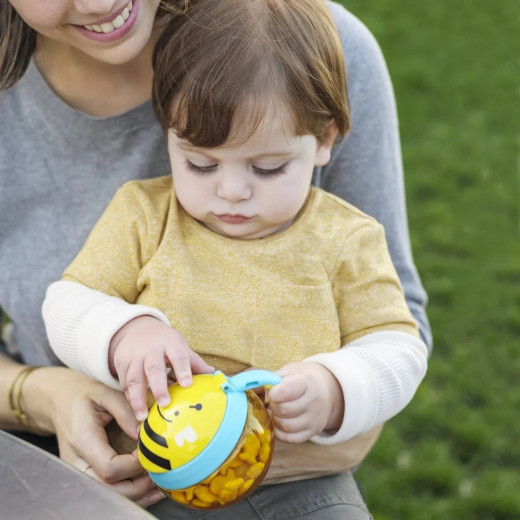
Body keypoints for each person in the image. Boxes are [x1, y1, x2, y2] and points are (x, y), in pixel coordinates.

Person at [0, 0, 431, 517]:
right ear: (167, 131)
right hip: (138, 466)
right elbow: (67, 302)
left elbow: (398, 342)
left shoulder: (345, 237)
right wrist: (124, 334)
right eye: (200, 163)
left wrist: (337, 387)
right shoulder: (146, 214)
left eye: (268, 168)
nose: (230, 192)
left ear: (324, 139)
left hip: (291, 481)